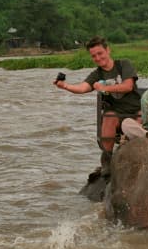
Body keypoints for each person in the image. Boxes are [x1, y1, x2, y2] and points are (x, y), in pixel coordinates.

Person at [53, 36, 140, 164]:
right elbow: (82, 88)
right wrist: (65, 86)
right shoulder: (97, 74)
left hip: (136, 110)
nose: (98, 58)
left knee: (142, 120)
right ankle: (107, 160)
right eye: (94, 56)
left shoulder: (123, 64)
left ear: (108, 51)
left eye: (100, 53)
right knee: (108, 117)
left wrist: (105, 87)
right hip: (115, 113)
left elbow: (128, 86)